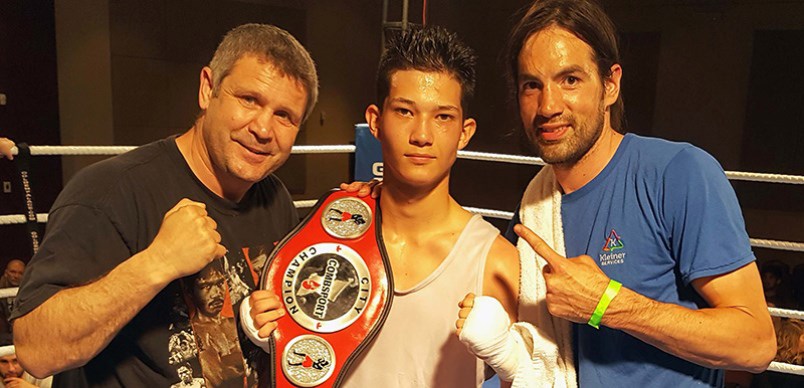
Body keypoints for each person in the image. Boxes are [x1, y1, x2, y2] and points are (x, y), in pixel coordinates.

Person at [463, 0, 777, 387]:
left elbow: (756, 344)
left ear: (610, 85)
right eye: (532, 85)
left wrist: (607, 304)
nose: (548, 105)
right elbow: (534, 357)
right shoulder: (535, 205)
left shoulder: (678, 173)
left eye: (570, 80)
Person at [4, 23, 318, 387]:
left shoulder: (274, 198)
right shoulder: (110, 191)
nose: (264, 129)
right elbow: (36, 350)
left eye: (285, 116)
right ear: (207, 88)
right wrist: (157, 263)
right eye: (249, 99)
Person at [243, 26, 521, 387]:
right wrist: (274, 335)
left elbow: (538, 377)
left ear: (464, 132)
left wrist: (510, 357)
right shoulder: (328, 234)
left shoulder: (496, 263)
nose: (422, 135)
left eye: (443, 117)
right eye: (405, 111)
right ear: (375, 121)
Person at [0, 260, 26, 345]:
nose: (16, 276)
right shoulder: (1, 289)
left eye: (20, 273)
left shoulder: (29, 291)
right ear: (6, 273)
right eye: (13, 272)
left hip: (23, 332)